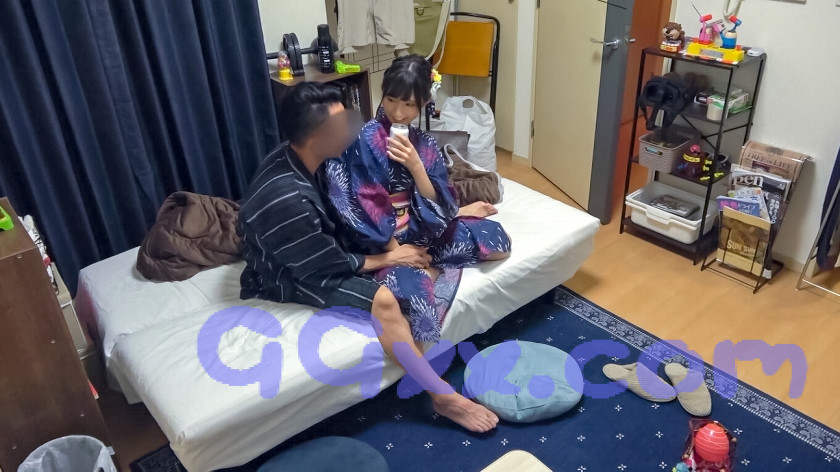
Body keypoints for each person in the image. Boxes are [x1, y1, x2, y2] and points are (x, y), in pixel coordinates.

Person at [238, 82, 499, 433]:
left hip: (314, 242)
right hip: (289, 270)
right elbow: (325, 264)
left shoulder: (307, 155)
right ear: (315, 136)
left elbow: (368, 201)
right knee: (386, 301)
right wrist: (393, 258)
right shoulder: (289, 200)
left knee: (433, 244)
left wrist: (449, 210)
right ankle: (442, 396)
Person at [325, 55, 511, 343]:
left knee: (498, 242)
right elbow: (364, 206)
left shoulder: (425, 143)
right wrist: (398, 253)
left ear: (423, 102)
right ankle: (425, 270)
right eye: (391, 100)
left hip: (422, 234)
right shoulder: (366, 139)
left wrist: (416, 166)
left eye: (408, 104)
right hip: (383, 244)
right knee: (419, 304)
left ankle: (431, 265)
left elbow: (441, 200)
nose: (398, 113)